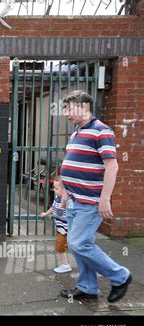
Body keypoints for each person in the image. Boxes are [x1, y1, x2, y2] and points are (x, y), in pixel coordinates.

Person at [59, 90, 132, 303]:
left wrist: (105, 198)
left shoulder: (102, 131)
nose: (66, 114)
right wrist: (65, 192)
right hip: (74, 200)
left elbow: (112, 166)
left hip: (90, 202)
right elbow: (70, 164)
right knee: (80, 245)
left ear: (84, 107)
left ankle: (120, 277)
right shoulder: (76, 133)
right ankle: (88, 287)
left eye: (69, 109)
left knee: (79, 244)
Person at [40, 178, 71, 273]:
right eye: (54, 188)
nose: (54, 190)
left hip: (66, 229)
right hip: (59, 227)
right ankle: (66, 265)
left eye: (56, 188)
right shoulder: (57, 198)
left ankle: (65, 266)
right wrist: (46, 213)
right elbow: (53, 208)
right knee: (65, 246)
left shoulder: (67, 201)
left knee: (59, 247)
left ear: (64, 190)